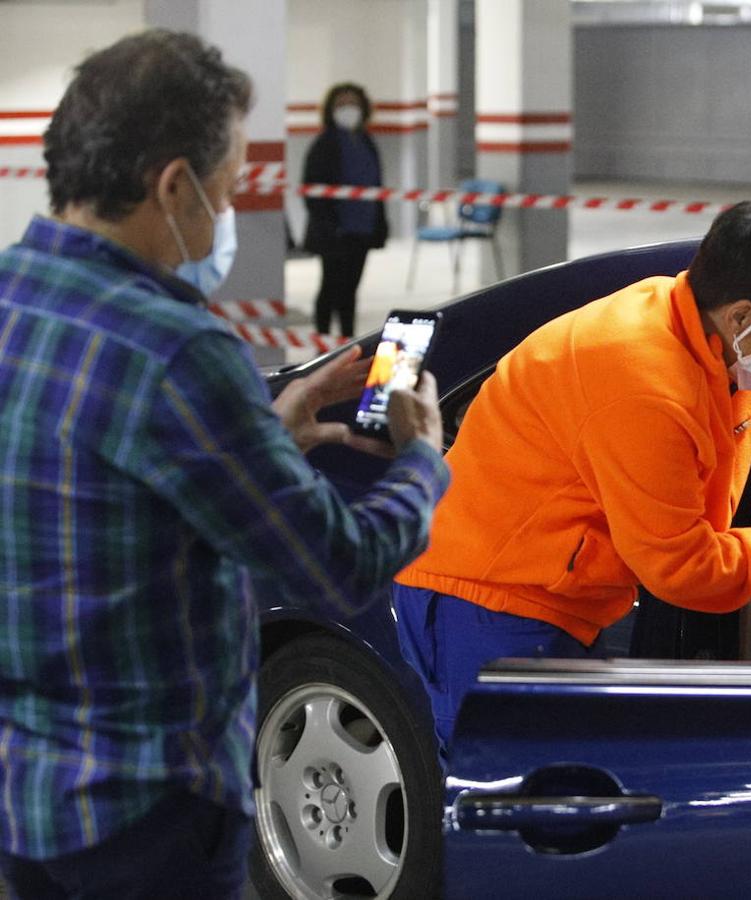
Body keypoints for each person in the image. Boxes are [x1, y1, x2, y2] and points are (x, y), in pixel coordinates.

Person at [0, 31, 449, 899]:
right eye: (229, 186)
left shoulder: (13, 293)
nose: (228, 208)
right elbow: (334, 562)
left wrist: (261, 433)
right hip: (149, 807)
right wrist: (423, 457)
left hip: (26, 792)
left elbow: (102, 484)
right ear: (173, 186)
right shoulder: (179, 351)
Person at [392, 200, 751, 757]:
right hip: (485, 597)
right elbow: (683, 568)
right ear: (742, 316)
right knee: (516, 799)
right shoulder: (646, 389)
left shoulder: (733, 351)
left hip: (558, 592)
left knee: (574, 787)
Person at [302, 82, 388, 338]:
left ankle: (348, 340)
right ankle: (323, 339)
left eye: (353, 104)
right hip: (334, 233)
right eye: (341, 104)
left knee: (350, 290)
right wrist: (331, 226)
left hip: (362, 230)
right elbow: (313, 192)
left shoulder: (366, 141)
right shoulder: (324, 144)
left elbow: (376, 186)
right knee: (330, 288)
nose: (348, 109)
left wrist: (379, 224)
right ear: (330, 109)